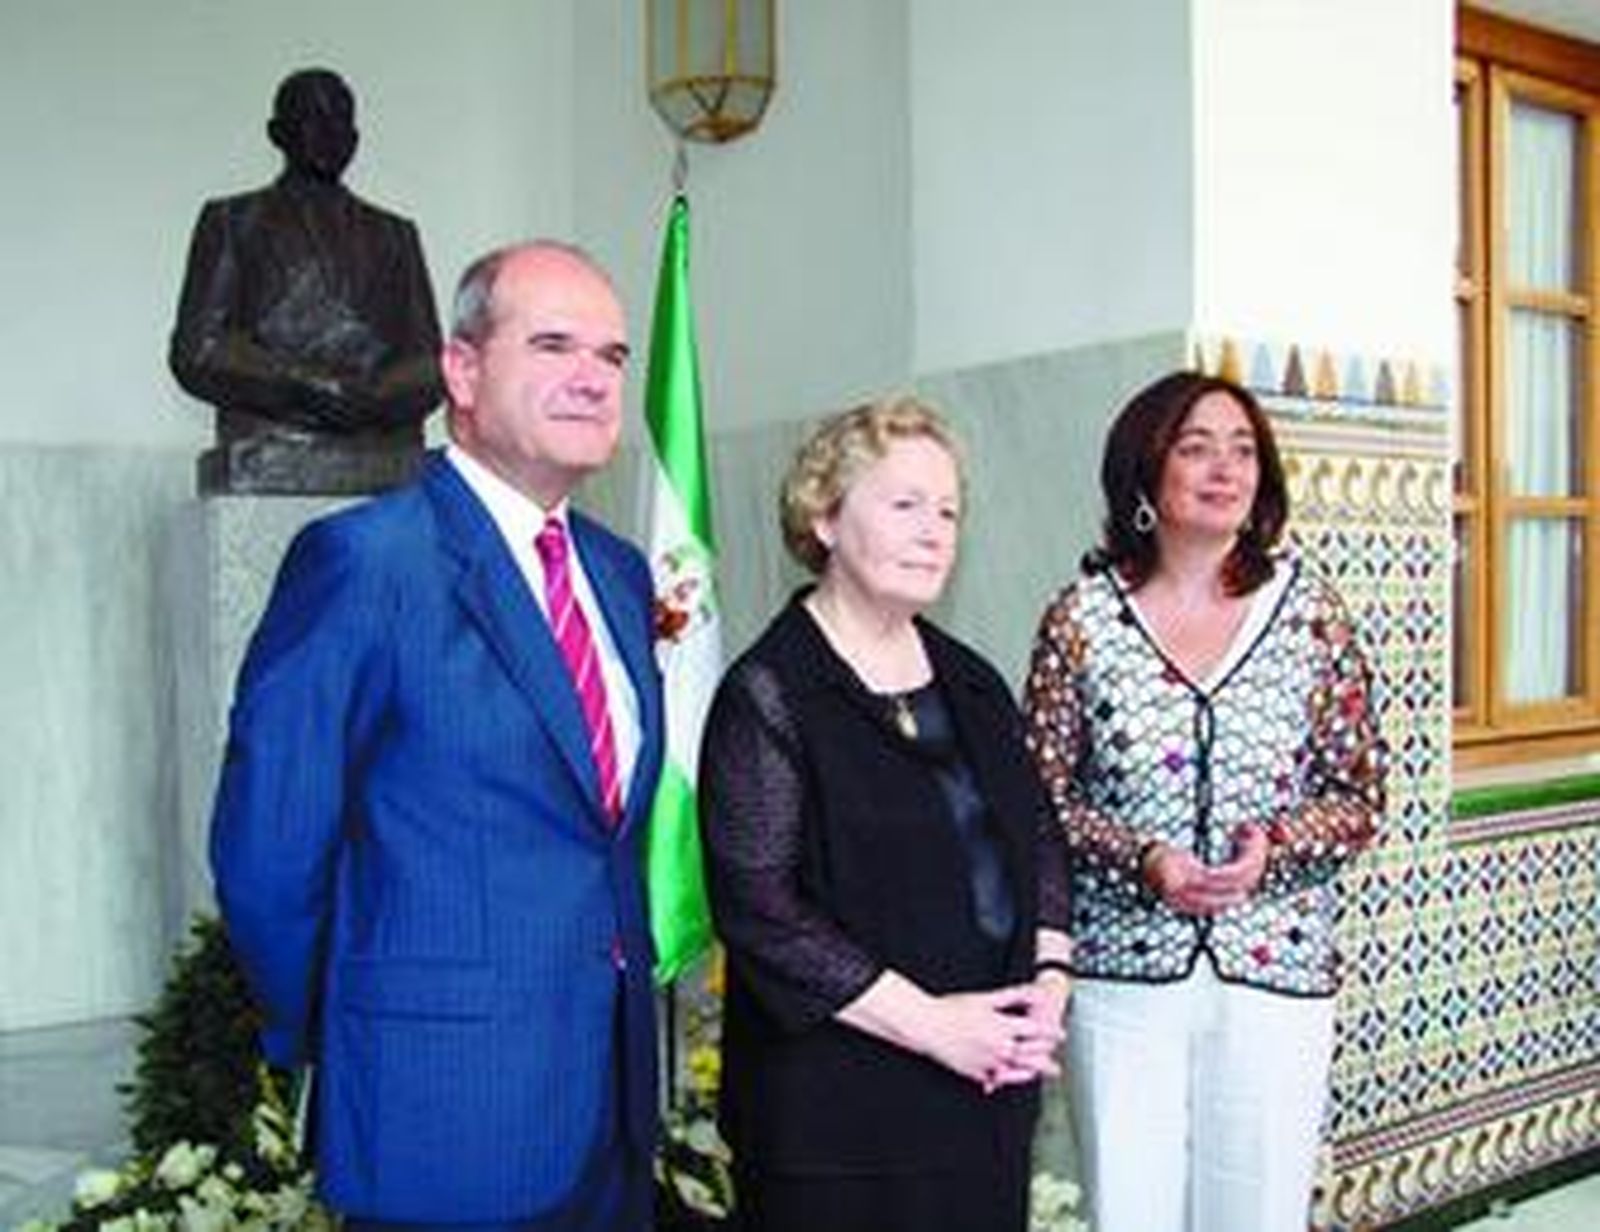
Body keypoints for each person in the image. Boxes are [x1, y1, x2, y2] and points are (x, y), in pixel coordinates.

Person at [209, 241, 663, 1229]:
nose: (592, 377)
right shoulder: (364, 563)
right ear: (462, 370)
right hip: (442, 1114)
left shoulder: (620, 577)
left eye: (613, 355)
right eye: (552, 344)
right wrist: (359, 1030)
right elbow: (268, 852)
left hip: (612, 1114)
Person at [1022, 370, 1386, 1232]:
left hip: (1274, 970)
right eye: (1196, 447)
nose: (1226, 469)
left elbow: (1361, 790)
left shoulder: (1309, 613)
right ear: (1145, 472)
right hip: (1120, 977)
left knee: (1255, 1209)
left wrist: (1277, 844)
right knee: (1130, 1208)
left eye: (1243, 450)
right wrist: (1139, 857)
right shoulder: (1082, 620)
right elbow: (1039, 797)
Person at [698, 398, 1073, 1232]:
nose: (935, 530)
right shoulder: (770, 693)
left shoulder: (970, 679)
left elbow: (1036, 838)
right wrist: (934, 1026)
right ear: (824, 516)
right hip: (837, 1124)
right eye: (905, 504)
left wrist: (1050, 980)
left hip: (982, 1101)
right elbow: (760, 911)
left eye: (948, 511)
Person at [170, 68, 442, 491]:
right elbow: (198, 350)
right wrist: (307, 385)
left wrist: (375, 394)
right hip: (269, 442)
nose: (331, 133)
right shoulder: (232, 222)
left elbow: (431, 362)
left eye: (342, 120)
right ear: (277, 132)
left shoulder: (395, 234)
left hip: (381, 451)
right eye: (314, 118)